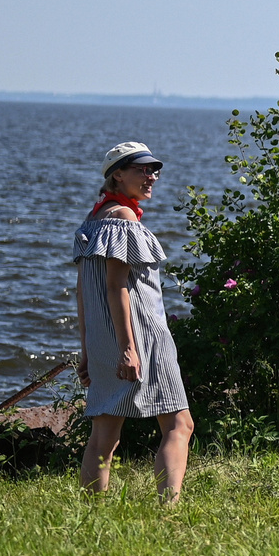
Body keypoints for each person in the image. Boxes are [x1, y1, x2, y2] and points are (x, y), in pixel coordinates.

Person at [73, 142, 193, 502]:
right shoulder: (123, 219)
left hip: (104, 337)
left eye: (154, 169)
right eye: (141, 169)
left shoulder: (93, 220)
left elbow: (83, 294)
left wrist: (87, 348)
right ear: (117, 175)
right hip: (141, 337)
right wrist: (129, 348)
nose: (151, 176)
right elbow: (115, 287)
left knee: (105, 434)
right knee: (179, 424)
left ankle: (89, 511)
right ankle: (168, 509)